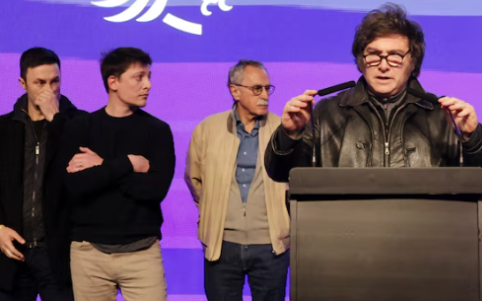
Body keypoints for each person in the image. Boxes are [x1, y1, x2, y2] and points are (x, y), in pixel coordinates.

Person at [265, 3, 482, 189]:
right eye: (373, 55)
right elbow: (280, 174)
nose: (383, 65)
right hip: (345, 235)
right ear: (361, 61)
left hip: (423, 236)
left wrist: (473, 137)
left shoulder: (442, 115)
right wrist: (290, 135)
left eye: (395, 56)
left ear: (413, 62)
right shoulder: (326, 113)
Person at [59, 48, 175, 301]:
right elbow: (76, 186)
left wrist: (101, 165)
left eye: (149, 76)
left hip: (142, 253)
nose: (148, 84)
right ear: (113, 82)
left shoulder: (158, 131)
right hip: (89, 253)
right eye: (139, 77)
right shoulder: (81, 127)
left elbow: (153, 190)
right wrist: (127, 163)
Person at [185, 60, 291, 301]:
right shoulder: (208, 129)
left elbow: (295, 182)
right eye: (257, 89)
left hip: (270, 245)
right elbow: (194, 179)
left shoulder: (283, 130)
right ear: (235, 91)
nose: (265, 95)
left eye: (267, 88)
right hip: (222, 245)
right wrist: (212, 211)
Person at [0, 48, 81, 301]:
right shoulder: (4, 128)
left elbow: (84, 177)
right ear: (23, 83)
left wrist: (55, 119)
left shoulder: (80, 125)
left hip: (59, 255)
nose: (49, 90)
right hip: (11, 252)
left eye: (54, 81)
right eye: (40, 83)